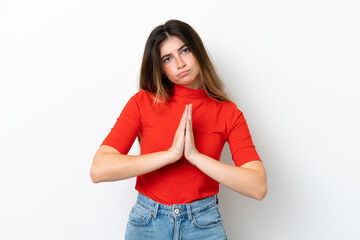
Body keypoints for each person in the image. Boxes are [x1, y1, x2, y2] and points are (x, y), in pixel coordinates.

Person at [90, 19, 267, 240]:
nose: (180, 63)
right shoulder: (143, 102)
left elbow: (257, 186)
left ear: (197, 52)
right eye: (168, 58)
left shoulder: (228, 113)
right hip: (148, 223)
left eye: (185, 50)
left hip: (203, 224)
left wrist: (195, 157)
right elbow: (99, 169)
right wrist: (170, 155)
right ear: (160, 67)